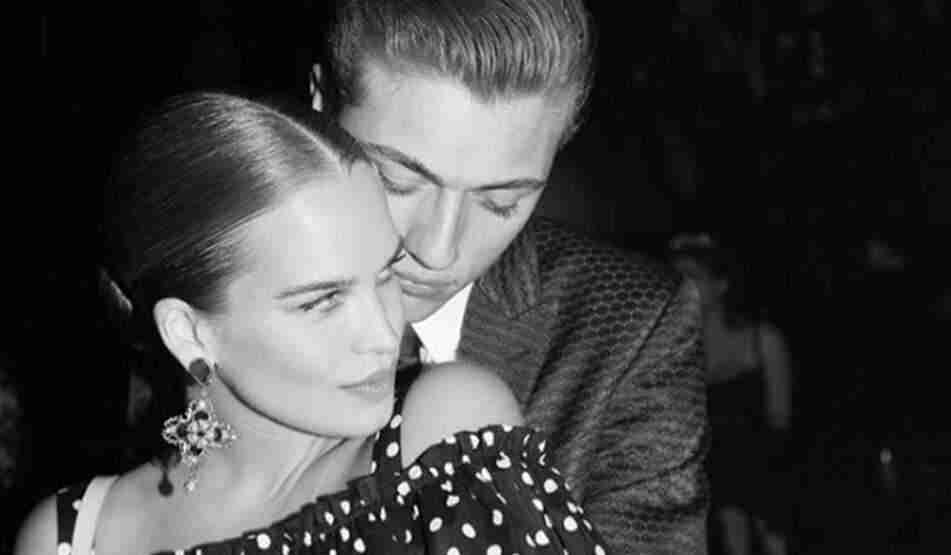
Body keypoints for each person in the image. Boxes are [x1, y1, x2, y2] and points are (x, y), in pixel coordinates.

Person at [14, 92, 608, 554]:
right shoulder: (71, 535)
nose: (385, 335)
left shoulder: (443, 433)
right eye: (322, 301)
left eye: (386, 273)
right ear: (190, 334)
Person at [308, 1, 708, 553]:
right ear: (320, 105)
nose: (437, 251)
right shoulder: (204, 286)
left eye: (501, 201)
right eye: (396, 180)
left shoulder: (630, 329)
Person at [668, 234, 791, 555]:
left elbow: (780, 419)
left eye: (693, 277)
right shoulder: (677, 351)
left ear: (720, 284)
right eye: (676, 277)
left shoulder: (763, 340)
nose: (682, 287)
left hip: (762, 475)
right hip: (712, 482)